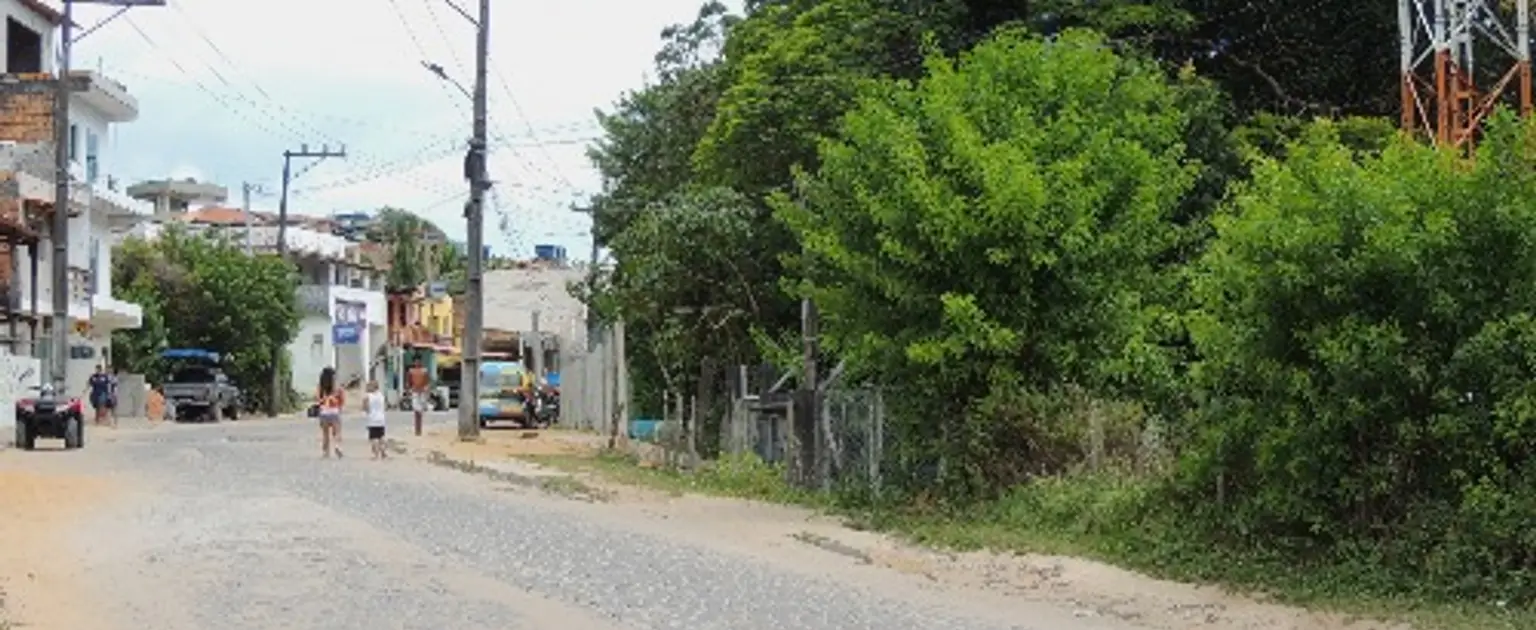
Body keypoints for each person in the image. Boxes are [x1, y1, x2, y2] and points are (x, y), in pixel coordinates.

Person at [316, 367, 345, 458]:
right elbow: (342, 400)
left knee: (325, 434)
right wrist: (339, 407)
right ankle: (337, 446)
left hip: (324, 412)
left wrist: (324, 400)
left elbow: (318, 399)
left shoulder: (320, 387)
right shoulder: (337, 388)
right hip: (334, 412)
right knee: (337, 432)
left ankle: (326, 452)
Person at [363, 380, 388, 459]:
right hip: (381, 419)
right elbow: (385, 406)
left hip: (372, 419)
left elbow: (366, 408)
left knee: (374, 437)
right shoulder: (381, 395)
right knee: (381, 436)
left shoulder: (368, 396)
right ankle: (383, 452)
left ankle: (376, 454)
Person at [406, 359, 429, 436]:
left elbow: (426, 382)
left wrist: (426, 390)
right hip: (415, 391)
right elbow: (409, 382)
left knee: (419, 411)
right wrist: (409, 390)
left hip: (421, 391)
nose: (417, 363)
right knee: (417, 411)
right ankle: (417, 430)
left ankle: (419, 430)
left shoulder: (424, 371)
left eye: (418, 362)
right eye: (416, 362)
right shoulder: (411, 371)